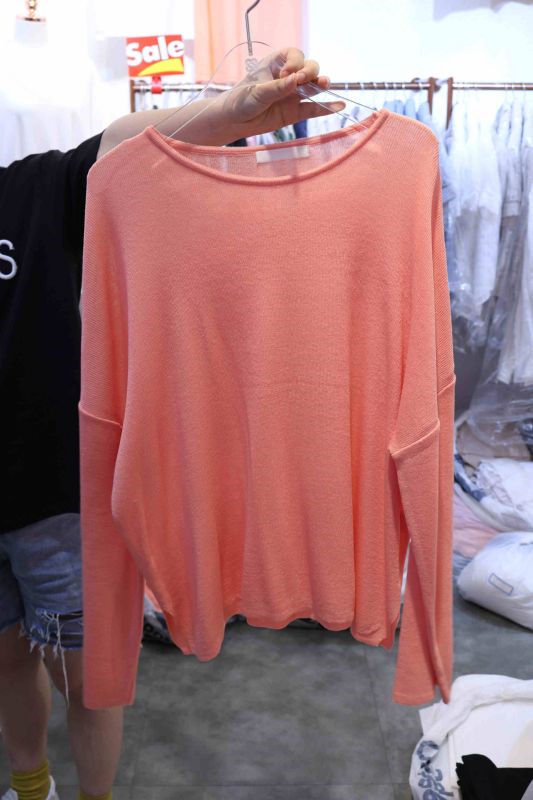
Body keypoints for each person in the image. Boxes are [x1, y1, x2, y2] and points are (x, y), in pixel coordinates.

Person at [0, 49, 342, 800]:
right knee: (7, 662)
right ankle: (30, 787)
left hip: (55, 496)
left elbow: (125, 146)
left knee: (92, 678)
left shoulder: (27, 191)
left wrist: (228, 111)